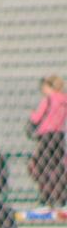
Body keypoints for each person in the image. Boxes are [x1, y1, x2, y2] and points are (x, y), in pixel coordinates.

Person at [27, 75, 67, 209]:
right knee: (58, 168)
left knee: (41, 168)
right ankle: (62, 199)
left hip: (46, 137)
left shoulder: (48, 100)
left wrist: (32, 116)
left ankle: (46, 199)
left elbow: (37, 117)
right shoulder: (64, 100)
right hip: (59, 137)